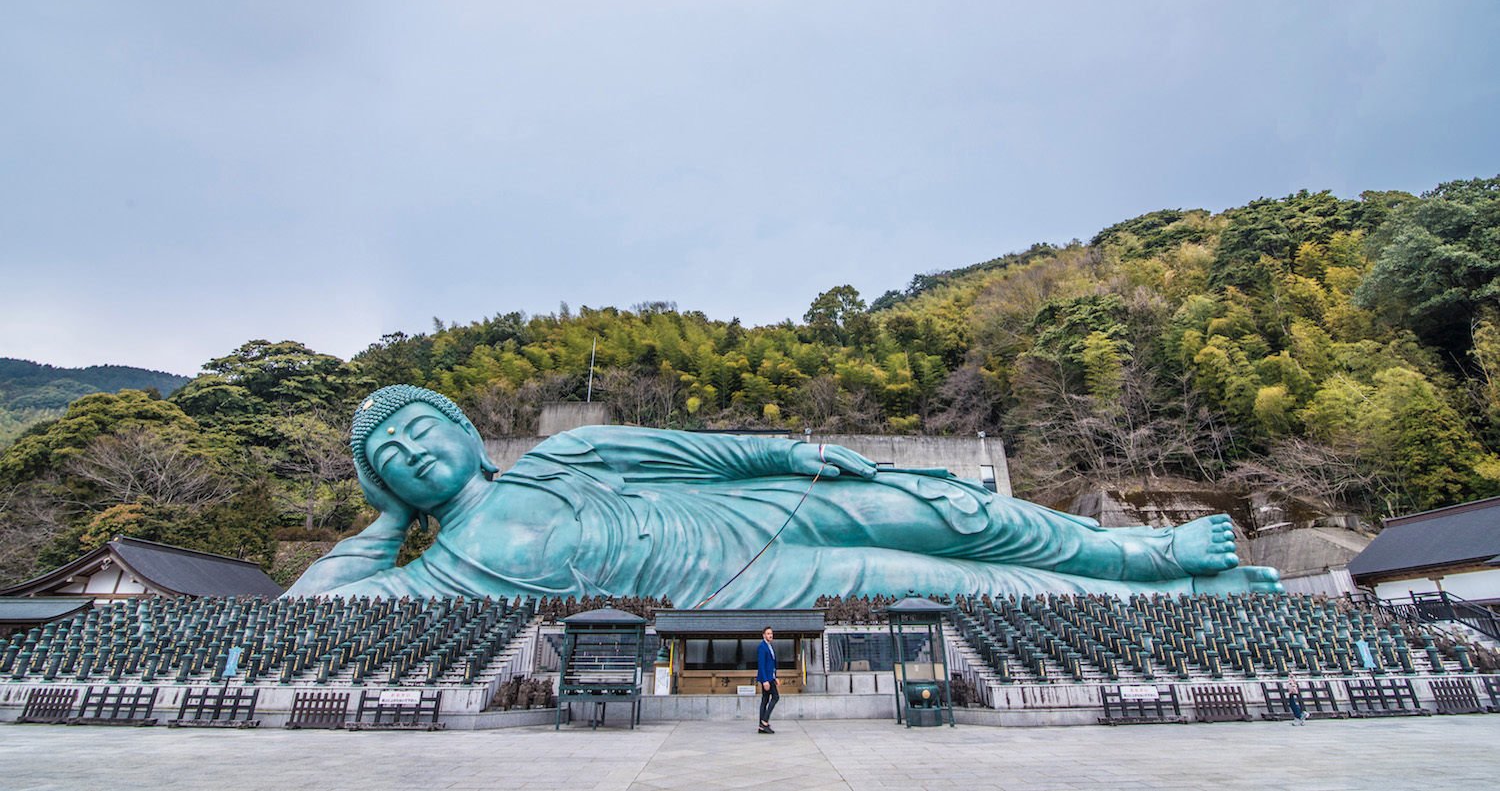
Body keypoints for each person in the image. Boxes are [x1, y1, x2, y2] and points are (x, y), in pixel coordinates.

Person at [286, 385, 1282, 603]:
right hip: (736, 585)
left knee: (948, 510)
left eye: (423, 428)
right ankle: (1169, 597)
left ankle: (1146, 552)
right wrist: (387, 520)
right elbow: (312, 611)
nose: (416, 453)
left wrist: (799, 454)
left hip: (749, 509)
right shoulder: (444, 568)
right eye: (393, 457)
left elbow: (698, 451)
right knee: (953, 586)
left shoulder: (567, 450)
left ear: (464, 428)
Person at [757, 626, 779, 734]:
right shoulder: (762, 647)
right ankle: (764, 721)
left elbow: (772, 664)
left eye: (771, 633)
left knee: (765, 699)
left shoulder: (769, 646)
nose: (770, 635)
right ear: (764, 635)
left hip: (771, 677)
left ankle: (761, 726)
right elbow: (761, 665)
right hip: (766, 678)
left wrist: (775, 677)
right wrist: (765, 680)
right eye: (768, 634)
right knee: (775, 697)